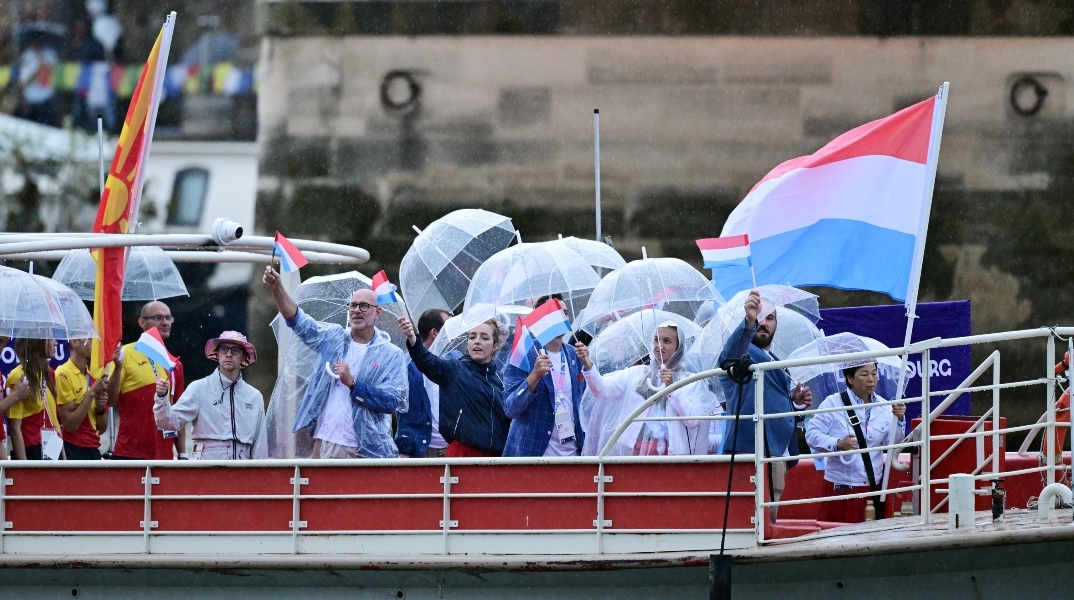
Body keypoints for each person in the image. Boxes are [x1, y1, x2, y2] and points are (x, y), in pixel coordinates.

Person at [262, 266, 408, 459]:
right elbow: (299, 321)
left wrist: (354, 384)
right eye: (353, 305)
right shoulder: (333, 337)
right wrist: (277, 289)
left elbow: (392, 402)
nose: (357, 310)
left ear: (378, 312)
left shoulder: (391, 354)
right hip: (323, 443)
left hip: (365, 449)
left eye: (364, 306)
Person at [718, 289, 813, 522]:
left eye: (769, 318)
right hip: (752, 450)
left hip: (776, 453)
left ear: (776, 325)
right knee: (751, 522)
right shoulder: (743, 353)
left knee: (768, 520)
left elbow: (773, 400)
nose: (763, 323)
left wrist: (796, 404)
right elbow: (728, 358)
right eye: (759, 317)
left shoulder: (777, 361)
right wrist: (748, 320)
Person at [577, 323, 711, 456]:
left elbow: (693, 421)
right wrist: (588, 364)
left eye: (667, 341)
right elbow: (603, 390)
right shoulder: (637, 374)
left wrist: (672, 388)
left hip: (673, 458)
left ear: (678, 348)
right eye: (656, 339)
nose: (660, 345)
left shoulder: (691, 381)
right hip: (635, 454)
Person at [806, 362, 907, 523]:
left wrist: (899, 420)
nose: (871, 379)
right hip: (842, 487)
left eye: (874, 373)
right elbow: (811, 435)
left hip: (874, 486)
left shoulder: (884, 406)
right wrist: (837, 443)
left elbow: (892, 443)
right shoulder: (832, 403)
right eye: (864, 374)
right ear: (850, 378)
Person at [399, 314, 509, 457]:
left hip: (495, 459)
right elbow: (427, 361)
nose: (477, 341)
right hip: (461, 454)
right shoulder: (455, 369)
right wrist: (413, 339)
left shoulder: (501, 380)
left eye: (484, 337)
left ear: (495, 346)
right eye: (472, 337)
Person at [154, 331, 267, 460]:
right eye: (224, 349)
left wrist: (260, 476)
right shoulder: (199, 388)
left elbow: (260, 445)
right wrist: (161, 397)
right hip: (205, 471)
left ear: (243, 357)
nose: (229, 354)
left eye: (235, 350)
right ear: (217, 354)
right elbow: (169, 423)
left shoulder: (255, 396)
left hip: (242, 473)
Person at [502, 296, 587, 457]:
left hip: (574, 455)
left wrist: (589, 367)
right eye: (556, 313)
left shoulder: (574, 354)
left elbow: (587, 403)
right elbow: (510, 408)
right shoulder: (524, 353)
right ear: (542, 319)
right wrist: (534, 376)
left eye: (566, 313)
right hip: (534, 457)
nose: (563, 317)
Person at [107, 301, 186, 460]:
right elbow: (109, 400)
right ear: (142, 322)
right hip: (130, 453)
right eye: (158, 318)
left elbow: (179, 414)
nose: (165, 322)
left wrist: (182, 454)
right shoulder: (124, 354)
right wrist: (117, 367)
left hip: (164, 457)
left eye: (168, 318)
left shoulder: (175, 364)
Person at [395, 309, 451, 458]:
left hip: (448, 450)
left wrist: (456, 444)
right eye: (449, 327)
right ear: (435, 332)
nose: (453, 334)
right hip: (414, 450)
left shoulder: (456, 360)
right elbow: (393, 402)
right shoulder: (404, 363)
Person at [6, 338, 60, 460]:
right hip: (30, 450)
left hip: (52, 448)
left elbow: (54, 420)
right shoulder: (18, 376)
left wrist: (64, 458)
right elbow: (15, 428)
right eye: (50, 339)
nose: (56, 342)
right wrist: (24, 467)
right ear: (36, 342)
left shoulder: (49, 373)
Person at [55, 338, 109, 460]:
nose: (95, 345)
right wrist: (91, 394)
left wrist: (100, 409)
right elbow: (69, 426)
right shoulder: (62, 374)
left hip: (93, 448)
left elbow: (101, 429)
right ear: (75, 342)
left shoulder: (94, 375)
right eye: (90, 340)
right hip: (72, 448)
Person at [17, 32, 58, 126]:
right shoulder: (26, 55)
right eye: (34, 40)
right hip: (30, 99)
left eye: (38, 39)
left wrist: (42, 61)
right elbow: (24, 81)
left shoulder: (50, 54)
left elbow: (52, 76)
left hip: (45, 99)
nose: (36, 42)